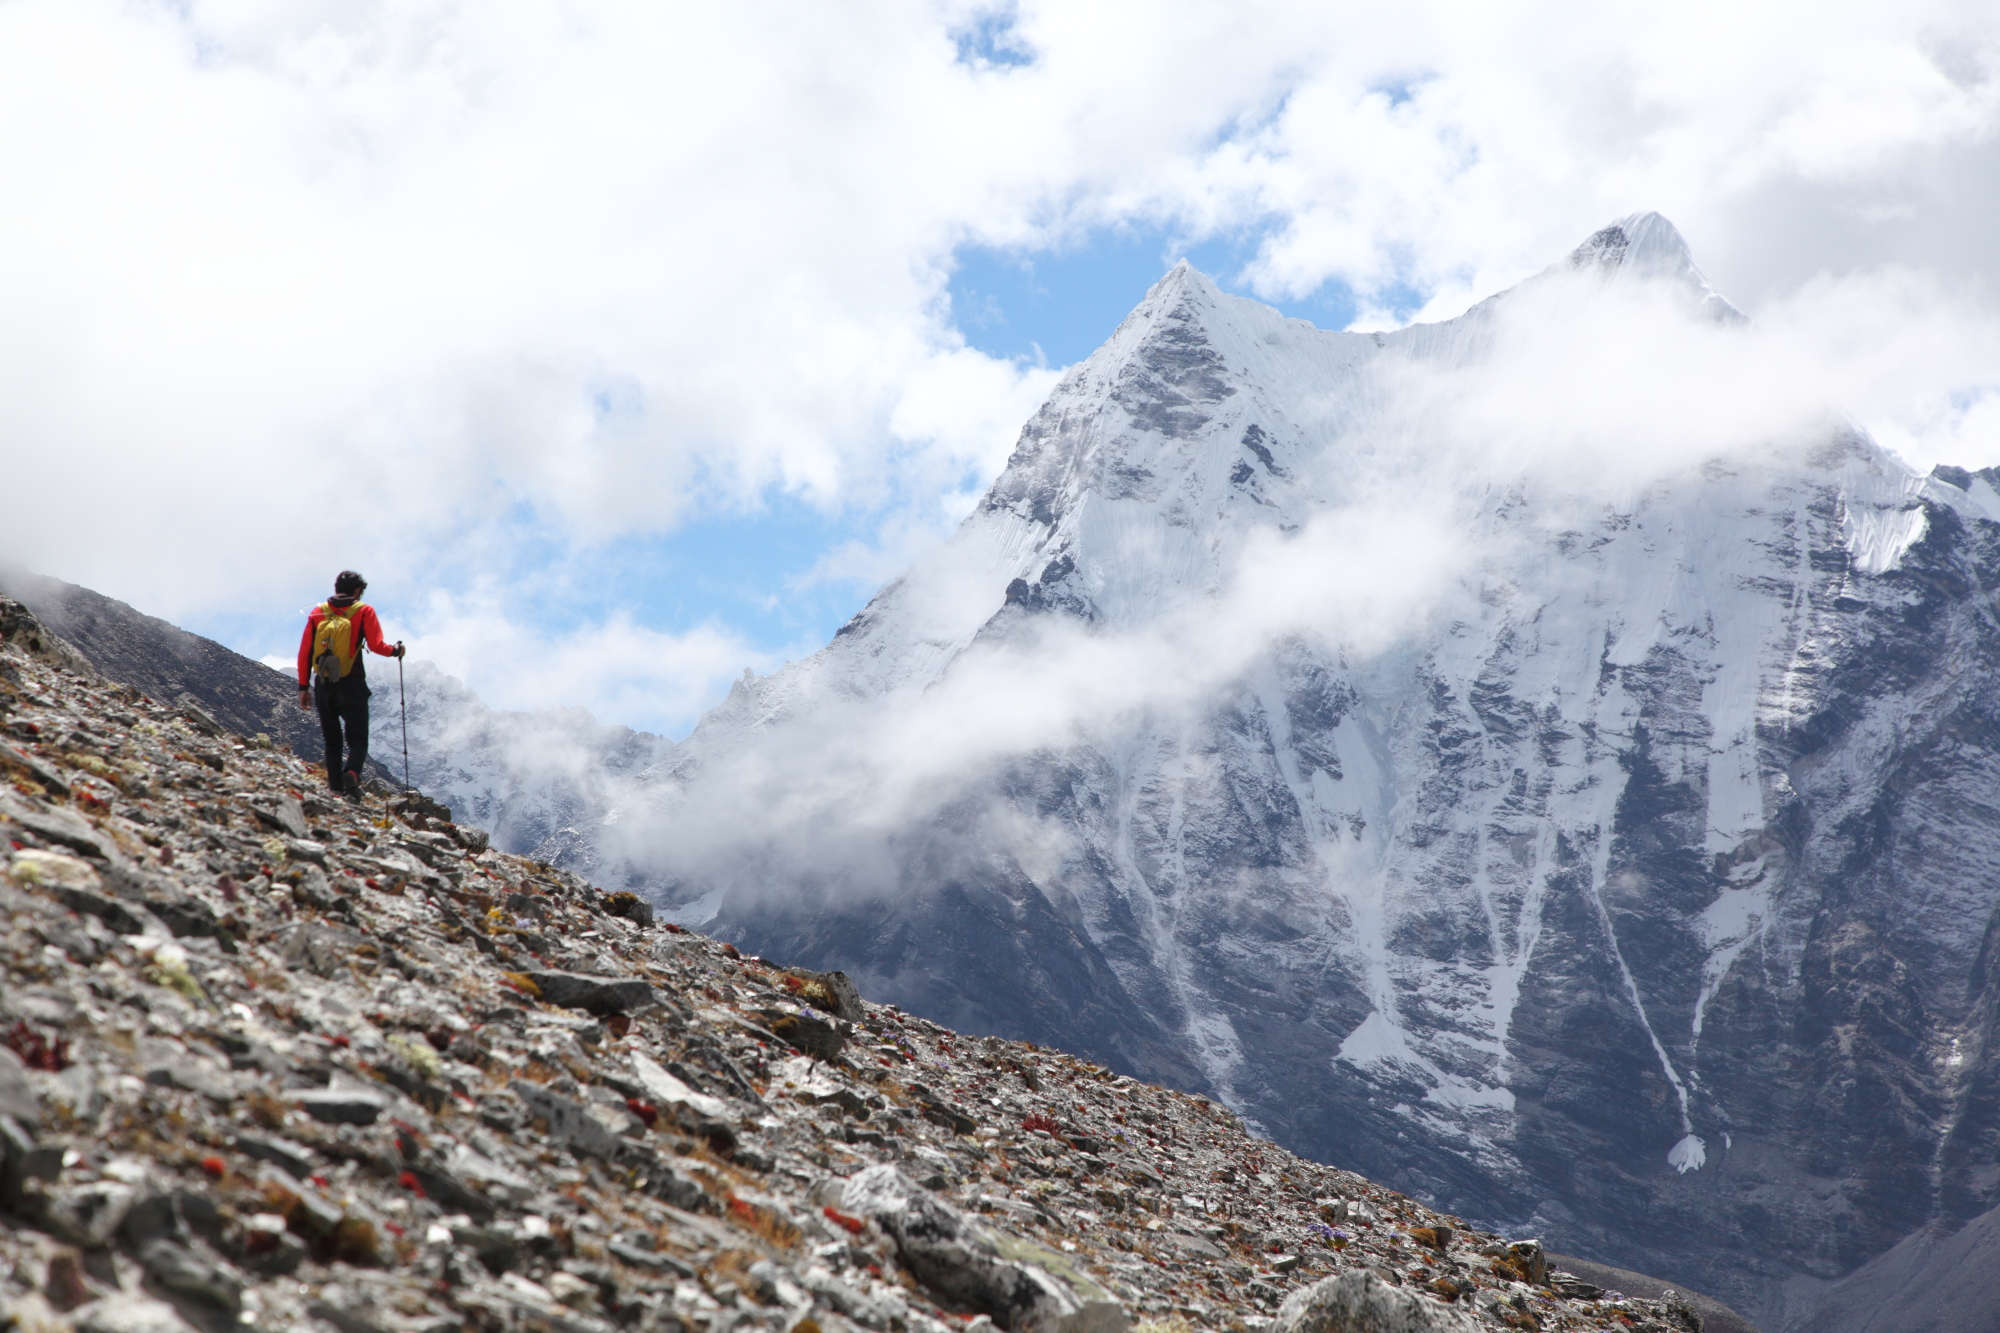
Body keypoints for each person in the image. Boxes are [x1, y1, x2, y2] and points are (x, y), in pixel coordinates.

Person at [296, 571, 404, 800]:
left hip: (323, 684)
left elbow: (305, 652)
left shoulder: (317, 613)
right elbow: (375, 645)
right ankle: (352, 774)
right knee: (358, 740)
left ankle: (335, 790)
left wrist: (303, 687)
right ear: (357, 591)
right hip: (352, 682)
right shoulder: (363, 611)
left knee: (332, 742)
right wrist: (395, 651)